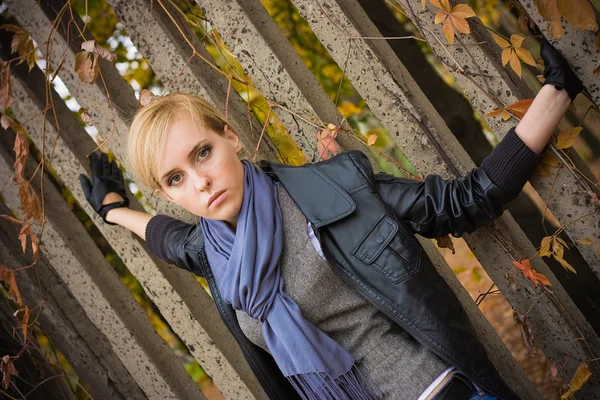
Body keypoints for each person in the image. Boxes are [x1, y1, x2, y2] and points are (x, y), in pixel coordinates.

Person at [79, 38, 582, 400]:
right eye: (175, 179)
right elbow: (163, 236)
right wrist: (112, 210)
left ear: (230, 137)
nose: (200, 182)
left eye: (203, 152)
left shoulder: (333, 188)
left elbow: (462, 201)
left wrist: (556, 93)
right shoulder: (212, 253)